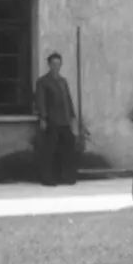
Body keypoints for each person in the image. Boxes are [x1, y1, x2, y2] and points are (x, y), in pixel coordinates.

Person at [35, 51, 77, 186]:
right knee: (50, 150)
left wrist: (72, 116)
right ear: (49, 65)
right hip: (52, 120)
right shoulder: (43, 82)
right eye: (54, 64)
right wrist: (43, 118)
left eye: (58, 64)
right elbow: (40, 101)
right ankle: (47, 178)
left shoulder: (63, 81)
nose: (56, 67)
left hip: (65, 120)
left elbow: (68, 99)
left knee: (68, 147)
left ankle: (66, 176)